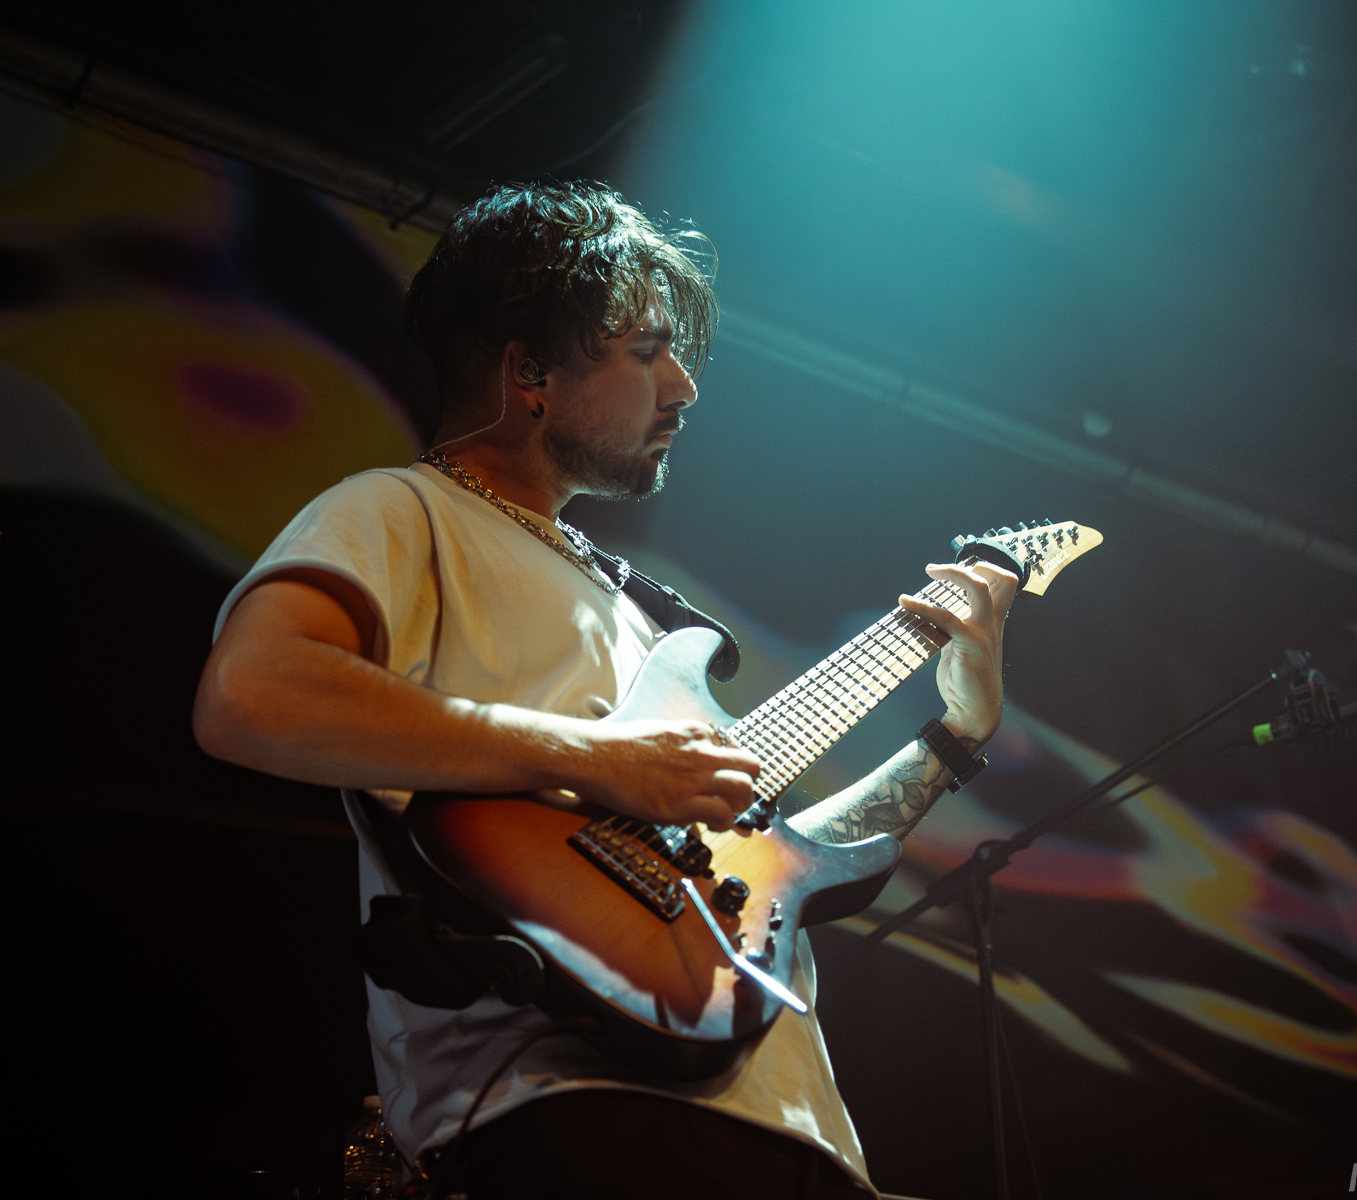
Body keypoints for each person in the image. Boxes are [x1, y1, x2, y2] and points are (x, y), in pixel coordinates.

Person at [193, 181, 1016, 1200]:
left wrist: (955, 735)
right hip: (574, 1107)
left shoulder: (639, 611)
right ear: (530, 373)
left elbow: (777, 861)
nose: (685, 386)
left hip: (798, 1129)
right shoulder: (400, 510)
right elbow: (252, 694)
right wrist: (599, 759)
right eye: (647, 351)